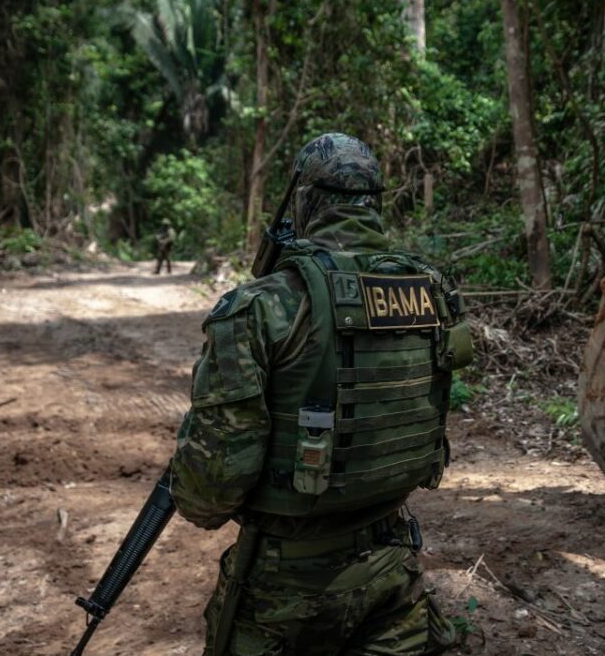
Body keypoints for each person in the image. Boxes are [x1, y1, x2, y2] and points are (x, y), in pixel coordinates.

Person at [169, 132, 472, 655]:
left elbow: (207, 496)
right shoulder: (432, 292)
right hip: (393, 568)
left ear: (306, 202)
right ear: (373, 203)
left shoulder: (263, 307)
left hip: (282, 593)